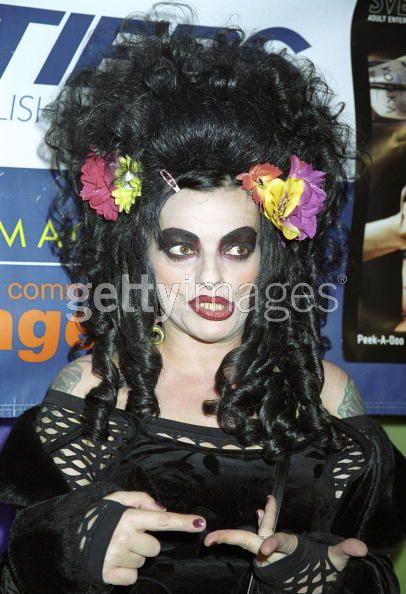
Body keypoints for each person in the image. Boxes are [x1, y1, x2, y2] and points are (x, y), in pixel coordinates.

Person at [0, 10, 405, 594]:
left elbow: (371, 564)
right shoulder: (89, 392)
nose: (211, 277)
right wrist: (78, 551)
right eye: (181, 248)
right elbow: (21, 570)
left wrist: (318, 576)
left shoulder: (330, 397)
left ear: (270, 256)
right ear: (141, 256)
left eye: (237, 248)